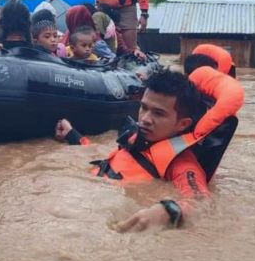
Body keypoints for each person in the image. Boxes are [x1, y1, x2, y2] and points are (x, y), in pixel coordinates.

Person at [54, 69, 212, 231]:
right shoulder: (138, 139)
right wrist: (73, 135)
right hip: (75, 202)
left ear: (183, 124)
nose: (144, 119)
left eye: (158, 114)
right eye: (143, 107)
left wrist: (167, 211)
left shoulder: (182, 165)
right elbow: (107, 159)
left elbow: (200, 202)